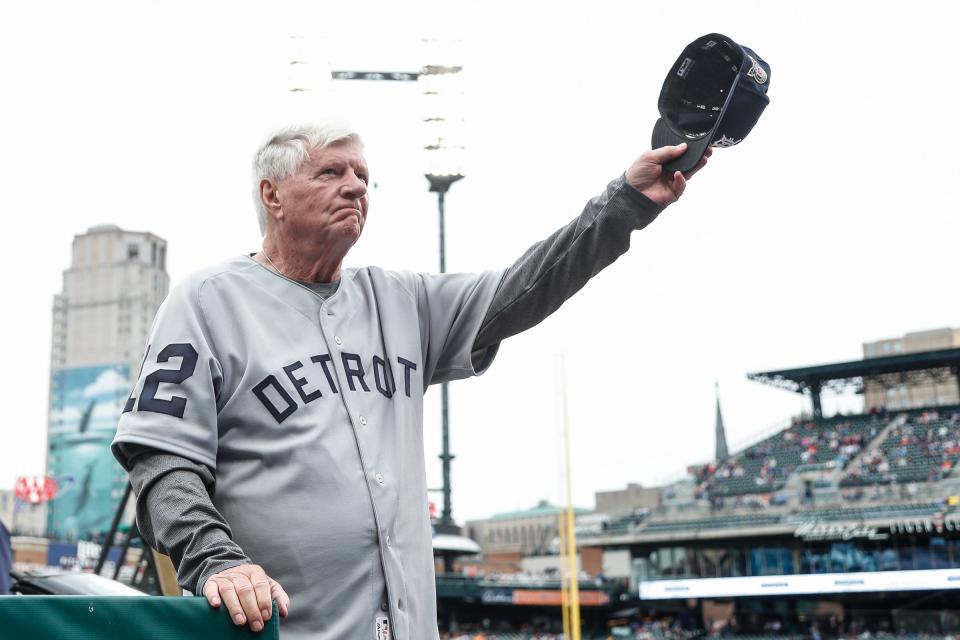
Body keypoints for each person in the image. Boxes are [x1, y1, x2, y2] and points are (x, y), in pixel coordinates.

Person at [111, 121, 710, 640]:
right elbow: (161, 463)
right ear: (272, 194)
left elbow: (525, 288)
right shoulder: (207, 301)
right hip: (277, 634)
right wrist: (216, 561)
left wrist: (626, 204)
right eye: (329, 173)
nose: (355, 187)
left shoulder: (402, 300)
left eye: (363, 176)